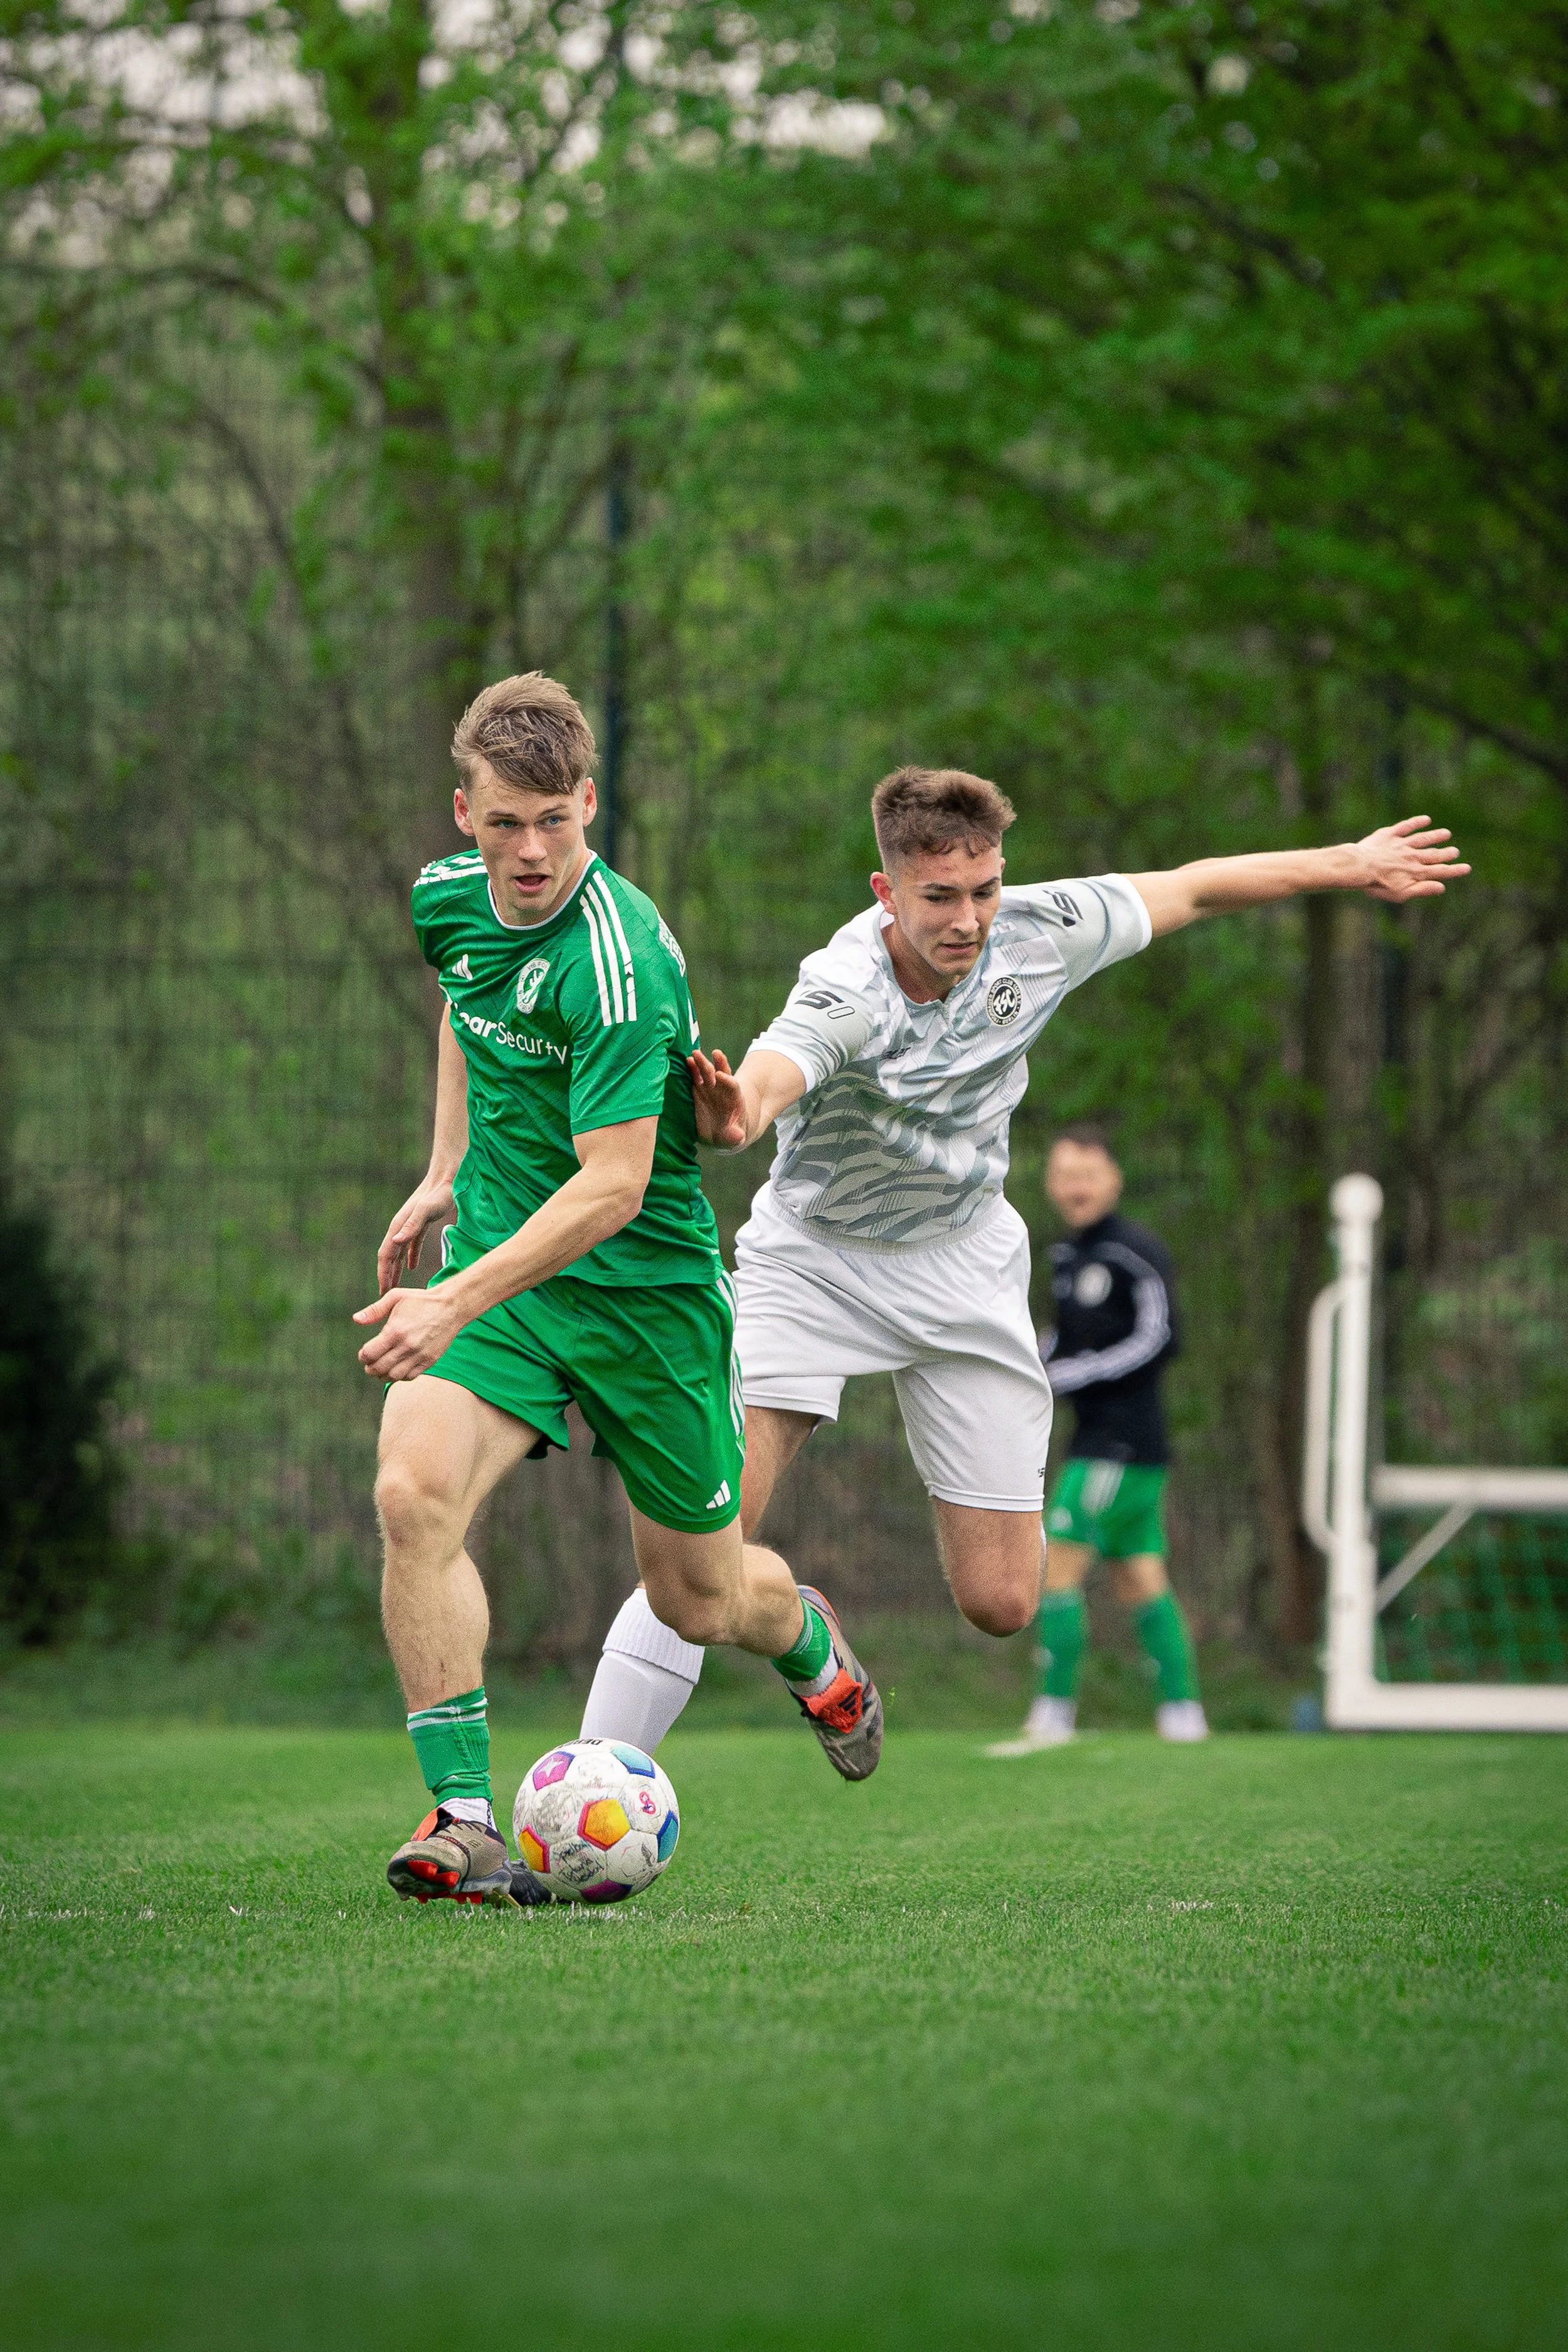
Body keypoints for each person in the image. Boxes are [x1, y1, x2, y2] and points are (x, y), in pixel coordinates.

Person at [578, 767, 1466, 1757]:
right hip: (813, 1264)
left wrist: (1352, 862)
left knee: (1003, 1600)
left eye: (985, 888)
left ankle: (822, 1624)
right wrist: (737, 1112)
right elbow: (777, 1071)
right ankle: (618, 1772)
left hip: (964, 1268)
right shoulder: (846, 986)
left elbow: (1196, 885)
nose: (968, 918)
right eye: (940, 896)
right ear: (887, 891)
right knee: (704, 1550)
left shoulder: (1043, 930)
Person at [356, 674, 882, 1911]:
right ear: (463, 816)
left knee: (697, 1599)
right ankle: (465, 1819)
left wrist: (445, 1301)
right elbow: (462, 1000)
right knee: (409, 1489)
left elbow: (611, 1187)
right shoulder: (448, 900)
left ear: (589, 802)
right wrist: (446, 1169)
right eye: (502, 824)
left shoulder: (620, 956)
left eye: (554, 821)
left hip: (643, 1294)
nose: (530, 852)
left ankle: (803, 1633)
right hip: (510, 1278)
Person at [987, 1125, 1202, 1755]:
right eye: (1063, 1176)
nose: (1073, 1187)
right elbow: (1059, 1343)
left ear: (1113, 1178)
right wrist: (1026, 1367)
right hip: (1095, 1441)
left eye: (1086, 1174)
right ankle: (1184, 1714)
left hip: (1123, 1444)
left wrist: (1070, 1374)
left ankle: (1053, 1714)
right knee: (1139, 1577)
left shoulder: (1136, 1252)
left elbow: (1160, 1336)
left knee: (1053, 1566)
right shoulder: (1063, 1256)